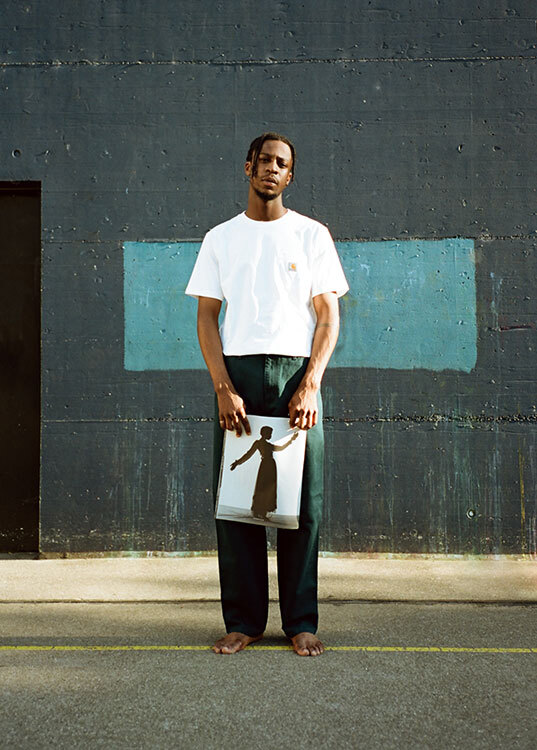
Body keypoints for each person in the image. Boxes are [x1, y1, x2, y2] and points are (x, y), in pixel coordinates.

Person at [185, 132, 349, 656]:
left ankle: (301, 622)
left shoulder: (312, 235)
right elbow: (207, 318)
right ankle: (244, 622)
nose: (272, 169)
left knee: (303, 503)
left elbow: (328, 316)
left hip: (297, 375)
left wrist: (311, 384)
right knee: (236, 505)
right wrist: (223, 387)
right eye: (264, 160)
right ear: (248, 167)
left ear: (290, 175)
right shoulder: (220, 238)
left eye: (282, 163)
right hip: (238, 375)